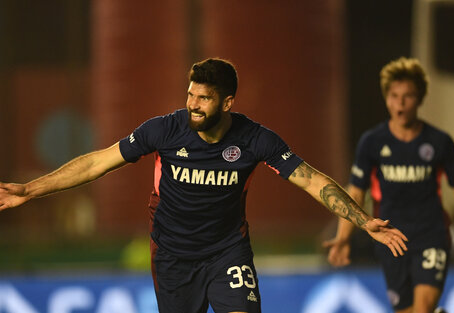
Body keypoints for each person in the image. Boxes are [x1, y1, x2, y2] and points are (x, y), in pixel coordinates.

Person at [0, 58, 408, 313]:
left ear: (227, 102)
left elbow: (312, 181)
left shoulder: (255, 139)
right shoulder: (164, 130)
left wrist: (362, 221)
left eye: (204, 98)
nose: (193, 104)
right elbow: (97, 162)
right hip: (173, 254)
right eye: (190, 94)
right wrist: (29, 190)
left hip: (227, 251)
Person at [323, 57, 454, 313]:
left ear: (420, 99)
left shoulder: (439, 142)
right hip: (390, 239)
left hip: (431, 235)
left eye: (408, 96)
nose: (400, 103)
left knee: (422, 309)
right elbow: (356, 191)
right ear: (386, 98)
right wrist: (343, 237)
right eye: (394, 96)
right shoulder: (372, 143)